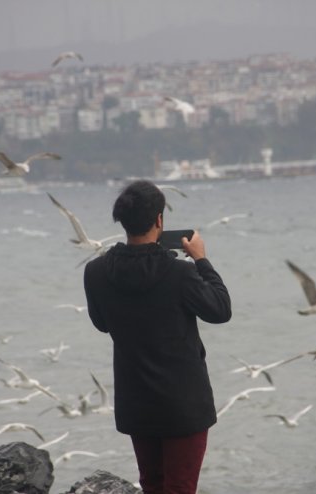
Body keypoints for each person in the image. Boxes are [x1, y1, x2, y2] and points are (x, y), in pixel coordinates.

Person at [83, 180, 232, 494]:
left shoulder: (95, 272)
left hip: (136, 400)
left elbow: (101, 323)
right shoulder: (180, 273)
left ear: (123, 221)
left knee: (152, 485)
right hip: (183, 404)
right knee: (180, 488)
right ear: (160, 221)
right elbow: (220, 310)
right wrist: (201, 260)